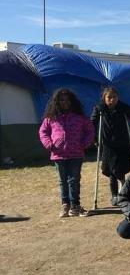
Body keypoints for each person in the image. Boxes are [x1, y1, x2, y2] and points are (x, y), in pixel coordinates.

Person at [39, 88, 95, 217]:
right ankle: (65, 205)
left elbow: (90, 130)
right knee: (62, 181)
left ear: (72, 102)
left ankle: (75, 205)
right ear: (57, 102)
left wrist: (84, 144)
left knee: (74, 180)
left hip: (76, 153)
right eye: (62, 100)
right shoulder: (51, 118)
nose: (65, 103)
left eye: (67, 100)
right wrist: (49, 144)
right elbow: (43, 132)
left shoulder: (80, 117)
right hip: (58, 154)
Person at [91, 87, 130, 206]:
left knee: (119, 170)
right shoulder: (100, 108)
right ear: (104, 98)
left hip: (122, 144)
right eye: (109, 97)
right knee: (111, 171)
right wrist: (93, 138)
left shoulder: (124, 108)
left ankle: (119, 194)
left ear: (118, 97)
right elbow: (92, 123)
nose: (112, 100)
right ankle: (116, 194)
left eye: (114, 97)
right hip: (108, 145)